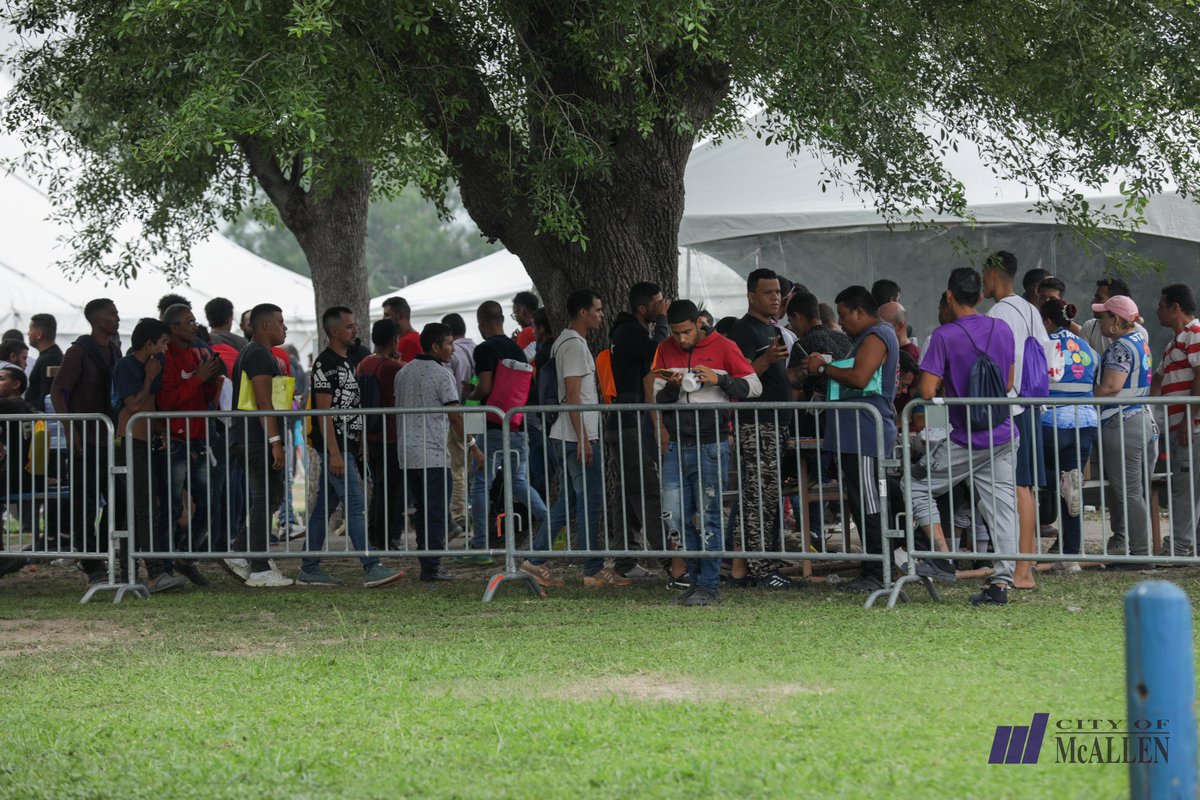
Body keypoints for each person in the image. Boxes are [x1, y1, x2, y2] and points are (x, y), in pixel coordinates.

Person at [911, 267, 1018, 606]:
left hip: (967, 438)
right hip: (1003, 434)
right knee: (1002, 508)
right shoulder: (1001, 328)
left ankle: (943, 555)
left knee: (916, 484)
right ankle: (1001, 585)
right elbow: (1006, 383)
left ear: (949, 296)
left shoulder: (944, 336)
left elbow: (927, 390)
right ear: (981, 297)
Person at [652, 300, 760, 605]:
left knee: (710, 516)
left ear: (699, 322)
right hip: (676, 443)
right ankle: (699, 580)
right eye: (675, 333)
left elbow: (754, 386)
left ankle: (708, 584)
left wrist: (720, 379)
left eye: (686, 332)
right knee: (674, 518)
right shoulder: (664, 349)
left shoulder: (725, 346)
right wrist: (673, 388)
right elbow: (659, 399)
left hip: (712, 443)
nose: (681, 339)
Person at [524, 289, 631, 588]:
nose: (601, 314)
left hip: (571, 435)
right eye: (597, 309)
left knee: (569, 502)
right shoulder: (572, 345)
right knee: (591, 501)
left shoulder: (569, 342)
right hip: (575, 437)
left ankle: (536, 560)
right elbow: (573, 396)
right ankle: (593, 568)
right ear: (582, 312)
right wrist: (584, 439)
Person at [803, 286, 904, 592]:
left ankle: (878, 570)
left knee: (870, 503)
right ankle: (873, 567)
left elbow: (860, 377)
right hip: (856, 434)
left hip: (864, 433)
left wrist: (822, 367)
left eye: (845, 315)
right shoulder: (865, 338)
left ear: (860, 312)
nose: (842, 322)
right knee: (861, 503)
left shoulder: (876, 336)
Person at [298, 307, 404, 588]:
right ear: (334, 331)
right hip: (336, 447)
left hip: (349, 445)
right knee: (355, 505)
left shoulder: (350, 360)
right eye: (349, 326)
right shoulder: (325, 364)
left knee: (324, 508)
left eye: (354, 325)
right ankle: (371, 566)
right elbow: (324, 414)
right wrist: (334, 452)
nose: (355, 330)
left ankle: (309, 567)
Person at [983, 250, 1053, 590]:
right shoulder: (1030, 310)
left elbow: (998, 366)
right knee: (1025, 488)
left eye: (984, 273)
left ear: (994, 273)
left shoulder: (998, 313)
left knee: (1019, 488)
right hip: (1032, 405)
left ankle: (1023, 570)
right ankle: (1025, 565)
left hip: (1013, 408)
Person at [727, 268, 800, 590]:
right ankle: (762, 569)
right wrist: (767, 361)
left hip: (775, 422)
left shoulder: (771, 329)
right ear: (751, 296)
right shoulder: (743, 331)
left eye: (778, 293)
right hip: (757, 425)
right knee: (760, 498)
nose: (775, 298)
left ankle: (740, 569)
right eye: (768, 292)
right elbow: (739, 381)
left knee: (761, 497)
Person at [395, 322, 482, 582]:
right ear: (435, 346)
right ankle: (431, 567)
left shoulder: (404, 372)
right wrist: (473, 446)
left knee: (423, 512)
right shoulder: (442, 374)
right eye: (448, 343)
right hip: (432, 454)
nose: (453, 349)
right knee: (434, 513)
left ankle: (428, 564)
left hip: (406, 454)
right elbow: (455, 417)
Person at [465, 300, 547, 565]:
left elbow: (485, 387)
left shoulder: (485, 349)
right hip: (517, 425)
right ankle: (548, 521)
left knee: (480, 484)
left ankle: (479, 544)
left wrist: (469, 393)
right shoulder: (518, 350)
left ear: (481, 323)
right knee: (520, 482)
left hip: (491, 426)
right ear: (502, 318)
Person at [111, 318, 187, 593]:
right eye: (164, 342)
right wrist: (149, 377)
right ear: (149, 343)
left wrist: (161, 431)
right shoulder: (127, 366)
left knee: (136, 509)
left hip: (145, 442)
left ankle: (127, 571)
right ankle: (154, 573)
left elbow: (150, 405)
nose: (167, 347)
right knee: (143, 507)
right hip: (128, 444)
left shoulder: (157, 364)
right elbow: (132, 404)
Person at [51, 298, 122, 585]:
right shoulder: (78, 351)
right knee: (86, 502)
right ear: (95, 319)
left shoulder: (115, 351)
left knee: (118, 500)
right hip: (86, 438)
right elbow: (59, 391)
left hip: (109, 438)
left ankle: (101, 552)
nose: (116, 318)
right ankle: (92, 562)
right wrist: (71, 428)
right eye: (111, 314)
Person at [606, 281, 670, 578]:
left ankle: (625, 561)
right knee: (645, 488)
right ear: (643, 309)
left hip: (629, 420)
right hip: (628, 421)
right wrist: (663, 322)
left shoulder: (628, 331)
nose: (664, 304)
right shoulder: (630, 331)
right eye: (659, 302)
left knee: (627, 492)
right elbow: (658, 354)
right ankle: (671, 561)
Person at [226, 303, 293, 587]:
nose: (285, 327)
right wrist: (275, 441)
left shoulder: (255, 353)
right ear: (264, 326)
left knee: (271, 495)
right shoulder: (258, 355)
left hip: (251, 437)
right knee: (266, 498)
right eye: (280, 321)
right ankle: (259, 566)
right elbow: (264, 401)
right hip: (256, 438)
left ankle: (241, 551)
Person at [156, 303, 222, 585]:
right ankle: (164, 566)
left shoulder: (198, 352)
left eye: (194, 321)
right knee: (170, 507)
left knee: (211, 502)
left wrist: (212, 380)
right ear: (173, 328)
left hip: (198, 438)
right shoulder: (164, 356)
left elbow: (203, 396)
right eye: (189, 321)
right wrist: (198, 378)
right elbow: (167, 401)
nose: (194, 325)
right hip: (173, 440)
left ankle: (185, 556)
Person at [1092, 294, 1156, 561]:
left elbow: (1112, 387)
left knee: (1129, 493)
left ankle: (1140, 554)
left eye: (1103, 316)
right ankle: (1139, 551)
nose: (1099, 321)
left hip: (1122, 423)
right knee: (1135, 491)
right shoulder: (1140, 341)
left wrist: (1086, 398)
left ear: (1116, 320)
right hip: (1141, 420)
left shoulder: (1120, 347)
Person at [1038, 298, 1099, 570]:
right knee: (1073, 484)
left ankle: (1061, 481)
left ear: (1048, 322)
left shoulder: (1043, 346)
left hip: (1051, 421)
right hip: (1085, 422)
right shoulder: (1087, 347)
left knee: (1032, 476)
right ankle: (1071, 556)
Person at [1152, 284, 1200, 557]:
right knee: (1190, 486)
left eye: (1161, 305)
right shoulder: (1175, 341)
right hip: (1181, 425)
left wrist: (1187, 419)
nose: (1157, 310)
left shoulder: (1194, 334)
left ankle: (1179, 547)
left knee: (1185, 487)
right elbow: (1158, 378)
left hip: (1190, 427)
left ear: (1175, 307)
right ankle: (1191, 544)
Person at [356, 318, 404, 550]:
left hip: (371, 434)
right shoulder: (391, 368)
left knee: (379, 489)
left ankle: (375, 534)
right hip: (390, 435)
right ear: (394, 340)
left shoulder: (364, 363)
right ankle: (386, 538)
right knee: (391, 490)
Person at [442, 312, 475, 532]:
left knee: (456, 466)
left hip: (457, 412)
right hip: (473, 409)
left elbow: (454, 386)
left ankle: (459, 514)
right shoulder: (474, 348)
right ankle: (467, 511)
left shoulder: (454, 355)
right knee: (468, 465)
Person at [1078, 277, 1148, 354]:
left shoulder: (1139, 334)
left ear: (1117, 302)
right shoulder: (1090, 327)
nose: (1093, 302)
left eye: (1099, 298)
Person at [25, 314, 61, 406]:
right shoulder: (48, 356)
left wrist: (40, 419)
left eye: (30, 330)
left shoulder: (49, 359)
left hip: (42, 418)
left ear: (39, 334)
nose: (28, 333)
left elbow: (46, 396)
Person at [381, 296, 421, 363]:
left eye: (387, 315)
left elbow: (400, 372)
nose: (383, 319)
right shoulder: (415, 337)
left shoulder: (407, 342)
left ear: (401, 315)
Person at [511, 291, 540, 359]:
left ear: (521, 310)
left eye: (515, 314)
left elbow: (520, 363)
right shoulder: (545, 326)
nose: (517, 320)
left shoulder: (526, 333)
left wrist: (515, 346)